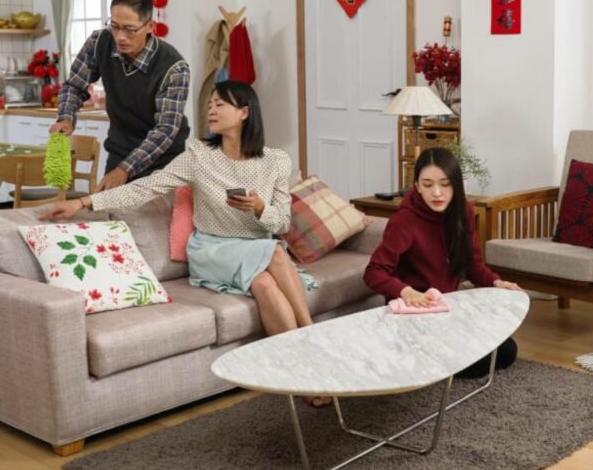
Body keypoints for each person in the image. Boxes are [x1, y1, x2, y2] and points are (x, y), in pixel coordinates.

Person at [46, 81, 328, 407]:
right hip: (212, 249)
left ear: (245, 113)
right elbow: (147, 188)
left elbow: (282, 223)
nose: (212, 109)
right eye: (210, 103)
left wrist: (260, 208)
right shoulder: (197, 156)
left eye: (221, 104)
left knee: (266, 284)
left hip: (255, 249)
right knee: (276, 254)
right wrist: (84, 203)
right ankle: (315, 346)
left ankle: (297, 375)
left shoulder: (275, 161)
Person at [364, 147, 523, 379]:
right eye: (427, 185)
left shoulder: (463, 212)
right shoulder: (405, 220)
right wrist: (407, 292)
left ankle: (430, 360)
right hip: (414, 316)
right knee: (486, 357)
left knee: (507, 349)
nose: (437, 193)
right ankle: (419, 357)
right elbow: (374, 272)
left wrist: (496, 283)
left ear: (456, 185)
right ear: (417, 186)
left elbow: (472, 264)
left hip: (445, 309)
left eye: (445, 184)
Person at [50, 0, 191, 190]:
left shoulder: (174, 68)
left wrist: (124, 170)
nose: (120, 37)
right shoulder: (99, 42)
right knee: (111, 217)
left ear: (150, 26)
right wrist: (66, 117)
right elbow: (74, 85)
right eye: (115, 26)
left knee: (153, 221)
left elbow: (165, 130)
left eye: (129, 29)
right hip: (120, 150)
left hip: (163, 159)